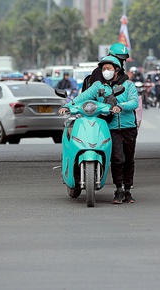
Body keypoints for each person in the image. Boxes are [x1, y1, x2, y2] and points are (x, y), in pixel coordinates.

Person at [58, 56, 139, 204]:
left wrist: (121, 106)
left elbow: (134, 102)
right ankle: (119, 189)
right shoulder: (98, 86)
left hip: (129, 127)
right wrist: (67, 106)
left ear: (117, 70)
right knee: (117, 159)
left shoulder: (128, 85)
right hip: (111, 127)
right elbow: (83, 96)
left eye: (109, 68)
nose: (105, 71)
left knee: (128, 160)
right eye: (103, 69)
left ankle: (128, 190)